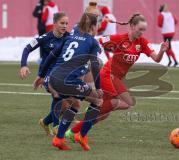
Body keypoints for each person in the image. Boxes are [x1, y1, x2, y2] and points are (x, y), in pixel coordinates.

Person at [65, 13, 169, 150]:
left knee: (104, 113)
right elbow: (98, 41)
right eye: (140, 29)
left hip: (116, 79)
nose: (142, 32)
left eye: (144, 30)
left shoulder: (142, 43)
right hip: (107, 75)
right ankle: (79, 133)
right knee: (125, 103)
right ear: (132, 26)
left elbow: (156, 59)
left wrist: (162, 51)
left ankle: (72, 132)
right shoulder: (119, 38)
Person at [33, 12, 103, 150]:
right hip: (68, 81)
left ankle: (59, 139)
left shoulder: (71, 34)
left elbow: (53, 54)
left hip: (53, 78)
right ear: (93, 27)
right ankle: (81, 135)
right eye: (97, 25)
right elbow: (95, 65)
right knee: (98, 100)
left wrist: (41, 75)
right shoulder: (92, 42)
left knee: (75, 103)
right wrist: (99, 87)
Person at [19, 12, 69, 136]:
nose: (65, 26)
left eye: (67, 23)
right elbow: (27, 49)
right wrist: (24, 65)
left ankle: (45, 122)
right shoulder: (45, 38)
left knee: (66, 105)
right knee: (57, 94)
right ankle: (57, 127)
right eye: (62, 23)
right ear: (54, 23)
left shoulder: (69, 37)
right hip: (47, 75)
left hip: (64, 74)